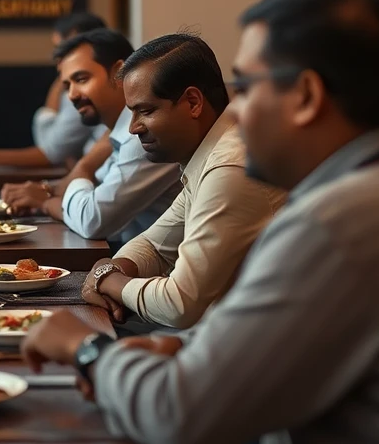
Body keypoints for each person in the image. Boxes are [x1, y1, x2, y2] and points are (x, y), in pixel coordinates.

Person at [21, 0, 379, 444]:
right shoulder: (360, 192)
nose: (235, 114)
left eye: (244, 88)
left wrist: (85, 351)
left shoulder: (338, 222)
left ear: (307, 95)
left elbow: (181, 415)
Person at [81, 34, 286, 330]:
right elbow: (156, 244)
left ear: (193, 102)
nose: (134, 127)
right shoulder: (210, 152)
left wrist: (109, 280)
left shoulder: (229, 164)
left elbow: (179, 305)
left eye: (146, 110)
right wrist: (114, 267)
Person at [2, 29, 181, 246]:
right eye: (67, 85)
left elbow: (93, 218)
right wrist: (45, 191)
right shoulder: (116, 132)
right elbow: (93, 190)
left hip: (149, 270)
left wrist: (45, 202)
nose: (72, 95)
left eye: (81, 79)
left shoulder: (142, 135)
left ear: (119, 73)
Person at [0, 12, 107, 169]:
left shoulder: (86, 92)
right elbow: (53, 148)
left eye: (61, 48)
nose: (57, 58)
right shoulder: (75, 88)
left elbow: (51, 151)